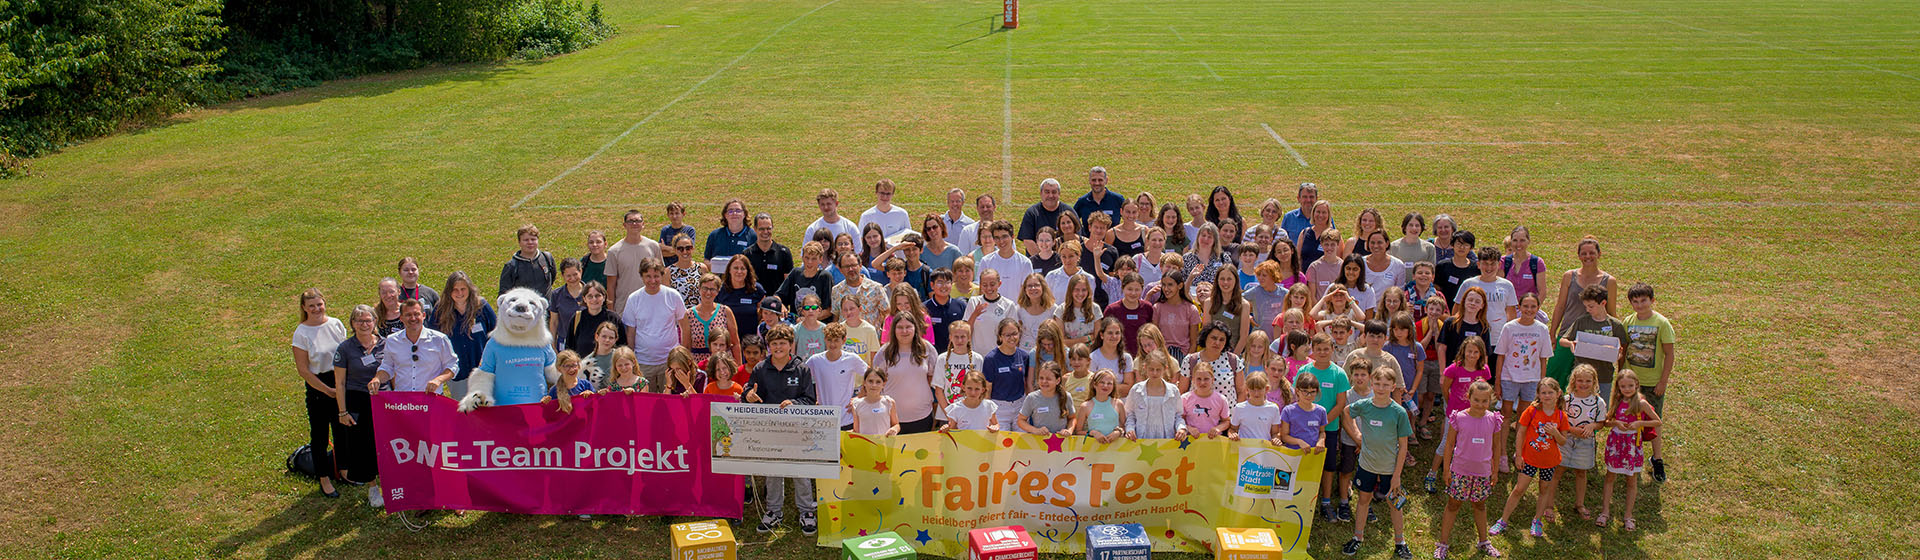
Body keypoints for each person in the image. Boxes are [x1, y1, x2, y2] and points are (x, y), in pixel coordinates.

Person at [742, 325, 818, 534]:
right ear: (769, 346)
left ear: (791, 345)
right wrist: (748, 395)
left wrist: (795, 403)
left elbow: (810, 399)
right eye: (774, 344)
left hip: (796, 429)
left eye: (782, 343)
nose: (778, 347)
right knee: (772, 471)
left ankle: (806, 511)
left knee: (800, 470)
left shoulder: (801, 369)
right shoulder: (760, 369)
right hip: (770, 429)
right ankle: (774, 511)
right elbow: (749, 391)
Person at [1340, 367, 1414, 558]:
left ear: (1393, 386)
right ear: (1371, 384)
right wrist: (1358, 436)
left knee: (1394, 504)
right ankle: (1357, 537)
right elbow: (1347, 412)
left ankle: (1400, 542)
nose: (1381, 388)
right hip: (1367, 465)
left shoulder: (1398, 413)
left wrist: (1397, 475)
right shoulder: (1364, 405)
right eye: (1378, 384)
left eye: (1386, 385)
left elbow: (1403, 446)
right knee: (1363, 500)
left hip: (1390, 468)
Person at [1492, 378, 1572, 539]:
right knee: (1519, 489)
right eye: (1544, 393)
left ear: (1558, 394)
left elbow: (1563, 440)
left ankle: (1537, 520)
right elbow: (1520, 432)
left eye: (1550, 392)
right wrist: (1519, 455)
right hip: (1529, 458)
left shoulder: (1561, 416)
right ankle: (1503, 520)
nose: (1547, 396)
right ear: (1538, 395)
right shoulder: (1532, 411)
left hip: (1549, 461)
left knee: (1544, 489)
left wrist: (1555, 433)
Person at [1435, 381, 1505, 560]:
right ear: (1468, 398)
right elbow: (1449, 445)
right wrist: (1446, 470)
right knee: (1453, 505)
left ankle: (1483, 541)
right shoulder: (1458, 417)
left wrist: (1495, 471)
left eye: (1484, 401)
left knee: (1480, 505)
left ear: (1490, 400)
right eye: (1476, 400)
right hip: (1460, 471)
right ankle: (1442, 543)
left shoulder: (1494, 419)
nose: (1480, 405)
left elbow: (1497, 447)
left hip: (1482, 472)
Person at [290, 288, 349, 498]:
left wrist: (341, 386)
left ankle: (343, 471)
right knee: (320, 435)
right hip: (318, 387)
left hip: (340, 379)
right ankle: (324, 478)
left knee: (342, 431)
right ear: (304, 308)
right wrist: (327, 390)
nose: (316, 309)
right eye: (311, 306)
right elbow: (303, 370)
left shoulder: (335, 324)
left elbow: (345, 354)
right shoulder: (302, 333)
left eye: (319, 304)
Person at [1621, 281, 1676, 481]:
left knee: (1654, 421)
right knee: (1629, 420)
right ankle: (1628, 454)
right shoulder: (1628, 321)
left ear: (1652, 300)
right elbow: (1624, 349)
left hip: (1653, 382)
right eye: (1635, 301)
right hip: (1630, 384)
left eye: (1643, 300)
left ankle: (1657, 459)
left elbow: (1669, 354)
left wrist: (1663, 381)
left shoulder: (1661, 323)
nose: (1639, 305)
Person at [331, 304, 384, 505]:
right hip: (358, 400)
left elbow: (394, 374)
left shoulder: (385, 344)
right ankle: (373, 488)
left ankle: (390, 483)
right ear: (352, 323)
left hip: (383, 400)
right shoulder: (345, 349)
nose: (364, 324)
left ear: (375, 322)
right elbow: (340, 382)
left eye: (368, 320)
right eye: (359, 320)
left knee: (385, 443)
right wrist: (342, 411)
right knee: (364, 446)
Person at [1425, 337, 1494, 492]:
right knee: (1446, 444)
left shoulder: (1484, 370)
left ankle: (1456, 475)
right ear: (1463, 351)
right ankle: (1432, 474)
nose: (1472, 355)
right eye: (1469, 351)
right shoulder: (1454, 368)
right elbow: (1445, 389)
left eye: (1476, 352)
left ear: (1481, 353)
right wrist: (1452, 404)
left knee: (1463, 446)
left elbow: (1486, 390)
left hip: (1475, 416)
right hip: (1455, 415)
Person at [1547, 236, 1616, 386]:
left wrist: (1613, 340)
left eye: (1591, 253)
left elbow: (1611, 312)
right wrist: (1552, 333)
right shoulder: (1569, 276)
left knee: (1586, 381)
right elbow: (1560, 306)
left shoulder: (1609, 281)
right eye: (1584, 253)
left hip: (1594, 338)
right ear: (1579, 256)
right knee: (1554, 375)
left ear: (1599, 254)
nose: (1588, 257)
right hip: (1567, 334)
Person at [1598, 369, 1661, 531]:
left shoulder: (1641, 403)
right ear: (1618, 387)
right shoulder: (1617, 401)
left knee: (1631, 481)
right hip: (1616, 444)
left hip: (1632, 445)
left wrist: (1640, 424)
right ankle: (1605, 511)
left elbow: (1657, 422)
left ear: (1636, 385)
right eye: (1623, 386)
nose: (1627, 389)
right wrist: (1616, 423)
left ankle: (1628, 515)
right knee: (1610, 477)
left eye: (1630, 385)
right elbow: (1607, 421)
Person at [1297, 333, 1351, 521]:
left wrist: (1323, 422)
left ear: (1332, 350)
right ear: (1313, 349)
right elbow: (1298, 397)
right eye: (1318, 349)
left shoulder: (1339, 373)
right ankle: (1302, 499)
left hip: (1328, 428)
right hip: (1302, 429)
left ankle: (1326, 501)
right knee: (1303, 463)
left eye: (1326, 349)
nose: (1322, 352)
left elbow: (1340, 403)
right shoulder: (1304, 370)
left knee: (1328, 465)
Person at [1498, 293, 1551, 462]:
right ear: (1519, 308)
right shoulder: (1509, 327)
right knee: (1505, 415)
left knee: (1524, 416)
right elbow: (1500, 356)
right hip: (1509, 377)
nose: (1529, 310)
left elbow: (1544, 359)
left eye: (1533, 306)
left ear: (1538, 308)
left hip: (1531, 379)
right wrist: (1498, 382)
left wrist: (1542, 384)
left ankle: (1518, 452)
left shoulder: (1542, 329)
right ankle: (1502, 454)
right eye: (1525, 306)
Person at [622, 258, 688, 391]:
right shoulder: (634, 299)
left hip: (669, 362)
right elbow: (631, 332)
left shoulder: (673, 296)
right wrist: (632, 360)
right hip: (643, 362)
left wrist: (683, 354)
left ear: (662, 275)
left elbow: (685, 327)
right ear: (641, 276)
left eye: (656, 276)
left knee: (670, 403)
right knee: (646, 404)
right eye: (648, 276)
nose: (652, 281)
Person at [371, 299, 458, 395]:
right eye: (408, 315)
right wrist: (377, 378)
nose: (413, 318)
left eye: (416, 314)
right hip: (403, 401)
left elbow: (452, 365)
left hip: (432, 398)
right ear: (401, 318)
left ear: (423, 315)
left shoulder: (439, 339)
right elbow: (387, 367)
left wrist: (439, 380)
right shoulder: (392, 340)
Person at [1557, 285, 1629, 397]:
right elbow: (1562, 340)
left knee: (1601, 407)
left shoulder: (1615, 325)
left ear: (1603, 303)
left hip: (1603, 376)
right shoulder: (1582, 321)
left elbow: (1622, 348)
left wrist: (1618, 354)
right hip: (1581, 376)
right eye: (1586, 306)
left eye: (1591, 306)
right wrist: (1571, 344)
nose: (1587, 310)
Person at [876, 312, 939, 434]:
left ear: (915, 328)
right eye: (900, 327)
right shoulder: (885, 352)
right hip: (892, 419)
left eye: (908, 327)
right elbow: (875, 381)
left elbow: (933, 380)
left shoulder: (927, 349)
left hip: (922, 415)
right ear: (894, 329)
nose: (904, 331)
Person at [435, 272, 495, 397]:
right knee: (463, 410)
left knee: (486, 410)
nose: (459, 293)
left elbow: (496, 334)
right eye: (455, 290)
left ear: (469, 289)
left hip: (483, 371)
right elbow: (434, 339)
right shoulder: (440, 310)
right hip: (458, 373)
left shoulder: (481, 306)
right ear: (448, 291)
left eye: (463, 289)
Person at [1560, 364, 1607, 519]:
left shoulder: (1598, 402)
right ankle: (1548, 505)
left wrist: (1592, 426)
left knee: (1581, 472)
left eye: (1588, 381)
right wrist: (1573, 430)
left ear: (1594, 382)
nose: (1584, 384)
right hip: (1566, 439)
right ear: (1574, 381)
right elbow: (1560, 421)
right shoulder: (1567, 400)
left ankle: (1579, 503)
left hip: (1586, 442)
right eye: (1580, 380)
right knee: (1557, 471)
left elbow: (1601, 423)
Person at [810, 322, 868, 430]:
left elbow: (871, 375)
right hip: (824, 419)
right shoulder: (815, 360)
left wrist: (860, 397)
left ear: (844, 340)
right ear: (824, 339)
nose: (832, 344)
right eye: (829, 340)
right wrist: (811, 400)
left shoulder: (852, 359)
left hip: (847, 418)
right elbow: (803, 379)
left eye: (836, 340)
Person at [607, 209, 665, 315]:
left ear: (643, 224)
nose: (634, 224)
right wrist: (611, 311)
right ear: (624, 225)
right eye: (630, 221)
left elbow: (661, 275)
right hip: (624, 307)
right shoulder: (614, 251)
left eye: (638, 221)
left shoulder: (653, 246)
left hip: (651, 306)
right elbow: (611, 284)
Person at [983, 318, 1033, 431]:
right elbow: (987, 389)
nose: (1012, 338)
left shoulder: (1024, 356)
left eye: (1014, 334)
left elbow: (1027, 383)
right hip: (999, 408)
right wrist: (991, 414)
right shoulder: (991, 358)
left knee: (1022, 443)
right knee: (1001, 444)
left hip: (1020, 407)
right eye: (1007, 335)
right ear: (1000, 336)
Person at [683, 273, 739, 362]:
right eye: (705, 288)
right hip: (699, 363)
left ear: (717, 291)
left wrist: (738, 369)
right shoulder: (689, 314)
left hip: (723, 363)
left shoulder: (725, 311)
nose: (708, 292)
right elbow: (686, 346)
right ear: (699, 289)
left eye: (712, 289)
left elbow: (735, 343)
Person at [935, 320, 982, 420]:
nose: (959, 340)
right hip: (947, 414)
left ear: (969, 338)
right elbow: (939, 390)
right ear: (950, 337)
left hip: (971, 414)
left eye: (963, 337)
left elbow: (981, 389)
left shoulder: (977, 359)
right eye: (956, 337)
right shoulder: (942, 359)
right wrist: (950, 416)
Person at [1016, 363, 1075, 437]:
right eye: (1041, 378)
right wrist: (1035, 430)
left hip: (1061, 443)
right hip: (1039, 443)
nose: (1044, 381)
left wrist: (1069, 430)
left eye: (1048, 379)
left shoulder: (1066, 396)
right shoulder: (1031, 398)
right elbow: (1021, 421)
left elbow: (1072, 418)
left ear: (1058, 380)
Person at [776, 241, 835, 315]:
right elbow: (778, 296)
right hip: (796, 321)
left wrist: (808, 319)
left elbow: (829, 310)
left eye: (814, 259)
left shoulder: (825, 277)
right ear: (802, 257)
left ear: (820, 259)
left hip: (818, 322)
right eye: (807, 258)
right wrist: (781, 305)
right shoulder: (795, 273)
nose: (809, 262)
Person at [741, 212, 794, 294]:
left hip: (777, 302)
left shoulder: (784, 253)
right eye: (761, 229)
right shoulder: (747, 254)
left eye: (768, 228)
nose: (765, 232)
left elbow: (788, 283)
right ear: (755, 229)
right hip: (754, 302)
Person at [832, 250, 887, 327]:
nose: (851, 269)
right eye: (847, 266)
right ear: (841, 270)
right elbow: (836, 316)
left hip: (870, 338)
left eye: (853, 265)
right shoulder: (836, 291)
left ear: (860, 266)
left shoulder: (876, 288)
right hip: (847, 338)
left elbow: (886, 313)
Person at [499, 224, 557, 296]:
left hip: (547, 306)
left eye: (533, 239)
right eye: (526, 240)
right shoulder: (511, 266)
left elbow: (552, 279)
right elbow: (504, 294)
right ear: (519, 242)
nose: (530, 242)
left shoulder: (547, 258)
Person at [717, 256, 766, 340]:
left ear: (747, 271)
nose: (739, 271)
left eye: (743, 268)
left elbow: (763, 313)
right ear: (729, 270)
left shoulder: (757, 289)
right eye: (736, 268)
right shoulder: (720, 290)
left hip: (750, 341)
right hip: (728, 340)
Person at [1276, 373, 1328, 451]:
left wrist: (1321, 440)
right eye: (1305, 391)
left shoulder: (1321, 411)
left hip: (1313, 455)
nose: (1309, 395)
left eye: (1312, 392)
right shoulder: (1288, 411)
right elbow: (1284, 436)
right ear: (1297, 391)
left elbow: (1322, 432)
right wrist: (1299, 442)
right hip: (1293, 454)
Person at [1104, 272, 1152, 355]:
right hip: (1118, 355)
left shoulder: (1147, 307)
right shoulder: (1112, 310)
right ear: (1123, 288)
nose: (1133, 293)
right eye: (1129, 289)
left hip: (1142, 355)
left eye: (1137, 290)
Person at [1073, 370, 1127, 443]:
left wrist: (1118, 432)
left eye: (1109, 383)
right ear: (1094, 385)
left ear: (1113, 386)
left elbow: (1125, 426)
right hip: (1093, 449)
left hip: (1116, 449)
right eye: (1102, 382)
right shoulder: (1085, 406)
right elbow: (1078, 432)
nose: (1105, 386)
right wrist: (1093, 433)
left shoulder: (1118, 403)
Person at [1502, 226, 1549, 310]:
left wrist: (1531, 310)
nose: (1518, 244)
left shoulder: (1537, 263)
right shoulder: (1503, 262)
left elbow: (1542, 292)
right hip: (1506, 312)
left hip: (1529, 312)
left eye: (1522, 240)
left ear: (1528, 241)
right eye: (1515, 240)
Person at [1017, 178, 1068, 253]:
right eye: (1047, 192)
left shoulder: (1068, 212)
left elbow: (1075, 238)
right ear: (1041, 193)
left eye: (1054, 192)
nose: (1050, 195)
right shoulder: (1032, 213)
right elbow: (1028, 241)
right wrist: (1041, 260)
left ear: (1059, 194)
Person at [1228, 372, 1281, 444]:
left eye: (1259, 389)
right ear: (1247, 390)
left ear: (1266, 389)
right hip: (1244, 450)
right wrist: (1233, 435)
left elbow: (1275, 433)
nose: (1256, 393)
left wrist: (1276, 439)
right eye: (1252, 389)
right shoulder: (1239, 408)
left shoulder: (1273, 408)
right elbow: (1232, 429)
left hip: (1264, 451)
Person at [548, 258, 587, 353]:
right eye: (568, 276)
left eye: (575, 274)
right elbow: (554, 322)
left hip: (587, 341)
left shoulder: (591, 292)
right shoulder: (556, 294)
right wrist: (553, 345)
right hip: (564, 341)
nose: (573, 279)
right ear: (562, 276)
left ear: (581, 271)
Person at [704, 199, 756, 269]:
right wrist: (716, 268)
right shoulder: (715, 235)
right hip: (720, 277)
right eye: (730, 211)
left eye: (738, 211)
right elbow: (707, 259)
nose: (734, 213)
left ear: (744, 214)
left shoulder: (753, 236)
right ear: (725, 215)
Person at [923, 270, 967, 352]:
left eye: (947, 282)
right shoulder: (923, 308)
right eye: (940, 283)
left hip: (957, 355)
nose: (944, 286)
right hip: (932, 356)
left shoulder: (961, 306)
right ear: (932, 285)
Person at [665, 233, 706, 307]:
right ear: (675, 250)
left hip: (699, 315)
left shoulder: (702, 268)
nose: (684, 252)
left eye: (688, 248)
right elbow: (665, 299)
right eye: (680, 249)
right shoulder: (668, 272)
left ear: (693, 248)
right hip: (678, 316)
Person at [1297, 201, 1335, 272]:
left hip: (1325, 279)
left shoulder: (1334, 236)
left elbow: (1337, 261)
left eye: (1324, 212)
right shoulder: (1304, 233)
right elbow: (1298, 258)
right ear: (1313, 213)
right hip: (1305, 278)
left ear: (1328, 215)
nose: (1320, 215)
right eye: (1318, 212)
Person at [793, 294, 829, 359]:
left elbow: (828, 353)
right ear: (802, 311)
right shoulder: (795, 330)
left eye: (814, 308)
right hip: (802, 367)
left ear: (819, 310)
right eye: (806, 308)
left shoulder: (826, 329)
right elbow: (792, 354)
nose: (810, 311)